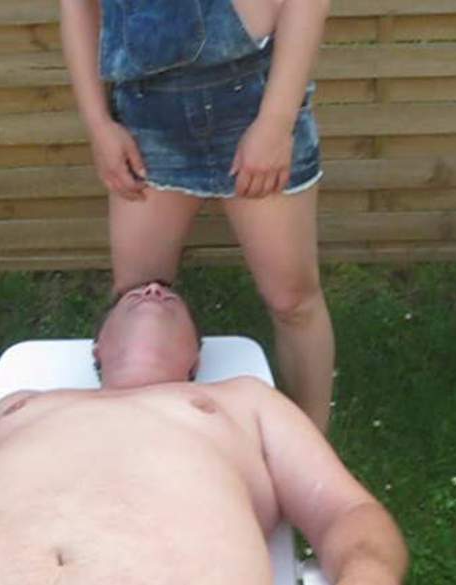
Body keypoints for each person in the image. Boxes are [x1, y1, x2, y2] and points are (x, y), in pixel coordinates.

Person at [0, 281, 407, 585]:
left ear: (196, 355)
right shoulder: (20, 407)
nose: (152, 288)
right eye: (133, 293)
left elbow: (346, 513)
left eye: (171, 296)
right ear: (97, 347)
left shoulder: (240, 402)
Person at [60, 0, 336, 431]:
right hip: (147, 120)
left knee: (293, 302)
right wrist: (98, 125)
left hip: (253, 102)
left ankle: (311, 447)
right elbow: (77, 7)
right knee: (138, 303)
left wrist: (276, 122)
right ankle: (145, 444)